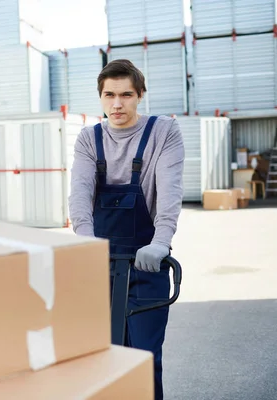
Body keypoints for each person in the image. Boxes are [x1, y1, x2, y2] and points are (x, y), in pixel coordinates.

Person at [68, 59, 184, 400]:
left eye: (126, 94)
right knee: (101, 359)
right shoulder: (89, 139)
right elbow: (80, 195)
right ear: (100, 97)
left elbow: (170, 192)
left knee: (145, 360)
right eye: (109, 95)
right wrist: (85, 243)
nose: (117, 104)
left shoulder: (163, 132)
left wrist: (161, 243)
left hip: (147, 263)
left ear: (140, 95)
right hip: (99, 265)